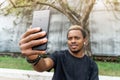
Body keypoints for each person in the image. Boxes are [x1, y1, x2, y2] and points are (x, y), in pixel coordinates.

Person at [19, 25, 99, 80]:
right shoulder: (59, 56)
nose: (73, 41)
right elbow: (43, 65)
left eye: (77, 38)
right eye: (70, 38)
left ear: (85, 40)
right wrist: (33, 57)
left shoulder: (92, 65)